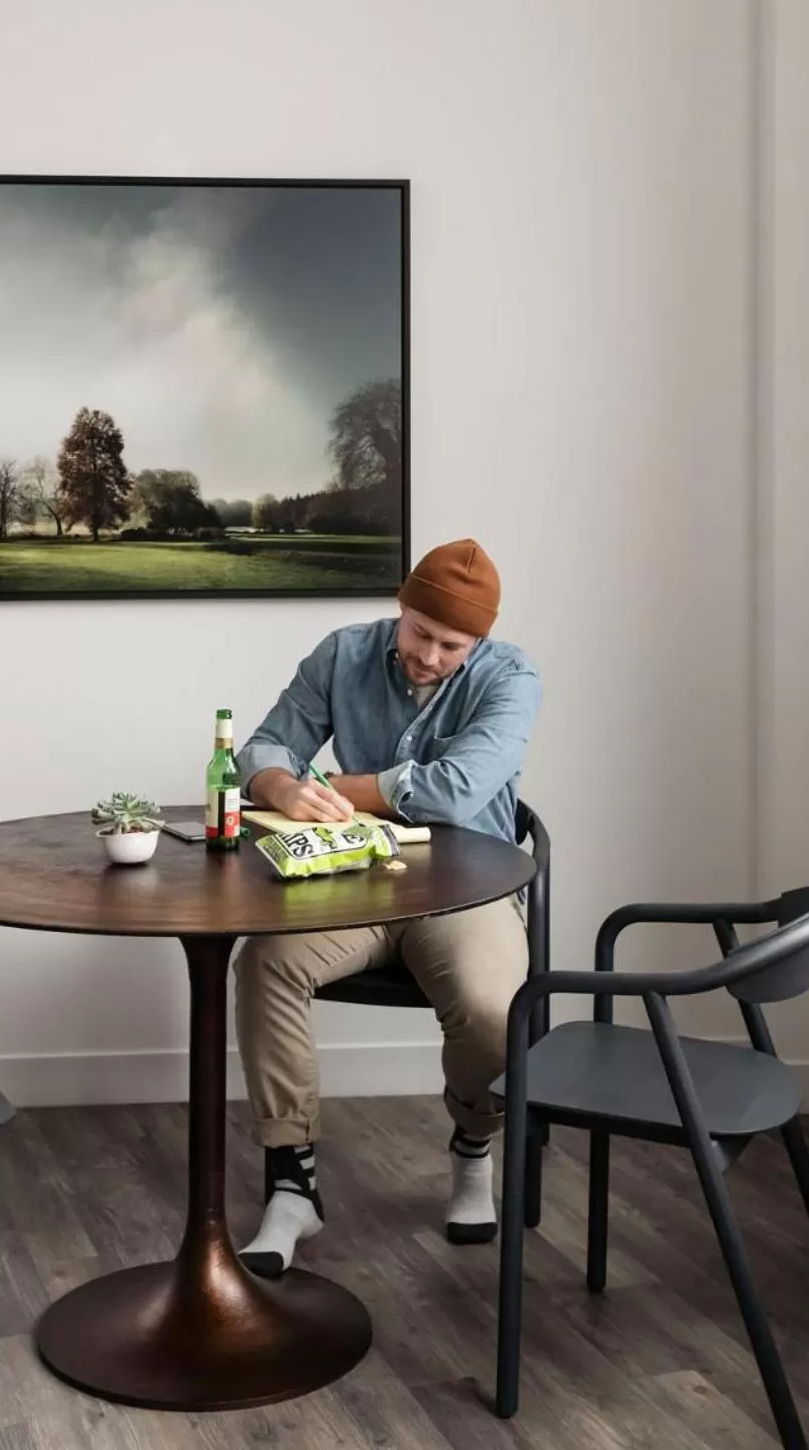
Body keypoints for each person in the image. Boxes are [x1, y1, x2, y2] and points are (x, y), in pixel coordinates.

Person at [232, 538, 541, 1277]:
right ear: (399, 610)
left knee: (494, 1009)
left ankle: (472, 1146)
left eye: (450, 644)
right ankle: (291, 1180)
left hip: (467, 886)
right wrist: (279, 787)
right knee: (263, 963)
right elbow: (266, 744)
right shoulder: (342, 653)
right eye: (419, 633)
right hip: (352, 882)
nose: (430, 655)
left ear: (479, 642)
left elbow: (458, 789)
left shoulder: (512, 677)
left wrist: (339, 786)